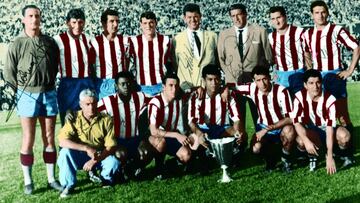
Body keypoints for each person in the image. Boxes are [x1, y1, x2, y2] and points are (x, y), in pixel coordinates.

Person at [3, 5, 62, 195]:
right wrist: (24, 89)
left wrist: (46, 83)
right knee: (28, 138)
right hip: (27, 95)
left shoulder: (50, 42)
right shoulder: (17, 43)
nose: (34, 19)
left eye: (37, 15)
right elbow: (9, 73)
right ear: (23, 19)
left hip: (49, 92)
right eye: (30, 16)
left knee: (49, 138)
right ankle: (29, 181)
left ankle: (52, 179)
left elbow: (54, 67)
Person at [302, 0, 359, 130]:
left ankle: (347, 147)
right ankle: (326, 143)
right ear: (312, 15)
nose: (320, 15)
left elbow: (356, 47)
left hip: (334, 76)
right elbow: (306, 51)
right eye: (317, 13)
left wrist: (350, 70)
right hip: (317, 79)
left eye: (323, 12)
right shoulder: (307, 34)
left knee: (342, 115)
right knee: (319, 113)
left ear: (327, 13)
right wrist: (310, 69)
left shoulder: (337, 30)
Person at [218, 3, 273, 129]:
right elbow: (221, 59)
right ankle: (239, 144)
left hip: (254, 83)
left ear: (245, 14)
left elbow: (268, 57)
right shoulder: (224, 34)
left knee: (255, 116)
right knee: (236, 116)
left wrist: (258, 76)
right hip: (233, 82)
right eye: (233, 16)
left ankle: (256, 144)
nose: (236, 19)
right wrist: (230, 75)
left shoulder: (260, 31)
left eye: (239, 15)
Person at [57, 89, 120, 198]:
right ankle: (68, 185)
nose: (91, 107)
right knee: (65, 153)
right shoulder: (74, 118)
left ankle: (105, 178)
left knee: (113, 162)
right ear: (81, 104)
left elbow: (111, 146)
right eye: (87, 104)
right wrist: (86, 148)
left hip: (99, 155)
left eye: (94, 103)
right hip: (79, 155)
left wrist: (94, 160)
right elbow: (62, 141)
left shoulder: (106, 119)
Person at [290, 69, 354, 175]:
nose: (315, 86)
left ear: (321, 83)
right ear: (305, 85)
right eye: (311, 83)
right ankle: (313, 156)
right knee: (301, 141)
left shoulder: (330, 99)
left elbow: (329, 128)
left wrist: (329, 156)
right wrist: (306, 141)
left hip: (326, 128)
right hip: (311, 130)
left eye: (318, 82)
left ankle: (337, 154)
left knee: (345, 136)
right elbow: (296, 123)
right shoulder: (299, 97)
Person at [233, 65, 296, 172]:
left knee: (289, 131)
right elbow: (233, 87)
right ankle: (270, 159)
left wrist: (267, 129)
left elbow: (290, 118)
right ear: (254, 81)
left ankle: (286, 159)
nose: (262, 83)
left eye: (264, 79)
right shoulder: (252, 88)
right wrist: (225, 89)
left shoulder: (281, 91)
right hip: (263, 126)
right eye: (258, 80)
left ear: (270, 77)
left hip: (280, 127)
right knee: (256, 148)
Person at [97, 71, 153, 179]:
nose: (126, 87)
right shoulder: (108, 101)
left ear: (132, 84)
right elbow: (90, 110)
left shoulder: (140, 97)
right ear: (116, 86)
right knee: (120, 154)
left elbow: (159, 98)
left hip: (135, 139)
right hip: (118, 141)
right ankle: (122, 169)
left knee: (146, 152)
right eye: (122, 84)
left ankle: (134, 168)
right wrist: (70, 112)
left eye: (128, 83)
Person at [188, 64, 247, 165]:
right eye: (210, 79)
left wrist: (238, 131)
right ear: (204, 80)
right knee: (194, 138)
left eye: (216, 79)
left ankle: (234, 155)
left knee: (242, 134)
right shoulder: (196, 96)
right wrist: (199, 134)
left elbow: (236, 119)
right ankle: (200, 158)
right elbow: (191, 122)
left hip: (221, 129)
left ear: (220, 80)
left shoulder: (227, 95)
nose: (214, 83)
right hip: (204, 129)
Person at [54, 8, 95, 126]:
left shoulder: (88, 40)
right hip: (68, 85)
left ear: (84, 23)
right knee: (68, 122)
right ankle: (66, 145)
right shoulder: (58, 40)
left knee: (88, 122)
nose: (77, 26)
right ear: (67, 23)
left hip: (86, 83)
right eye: (74, 22)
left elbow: (92, 64)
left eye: (80, 22)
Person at [148, 72, 192, 179]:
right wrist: (177, 135)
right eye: (170, 85)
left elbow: (193, 91)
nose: (174, 89)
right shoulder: (156, 102)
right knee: (160, 142)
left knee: (186, 156)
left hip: (170, 136)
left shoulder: (179, 100)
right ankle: (158, 169)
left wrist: (199, 89)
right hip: (152, 137)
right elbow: (153, 131)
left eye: (176, 86)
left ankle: (168, 166)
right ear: (163, 87)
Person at [173, 3, 218, 91]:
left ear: (200, 16)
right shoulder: (176, 39)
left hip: (208, 87)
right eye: (189, 17)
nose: (193, 20)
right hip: (187, 87)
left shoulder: (213, 36)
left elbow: (217, 61)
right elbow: (176, 64)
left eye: (195, 16)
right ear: (184, 18)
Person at [128, 11, 172, 96]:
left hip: (160, 85)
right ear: (141, 24)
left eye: (151, 22)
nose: (148, 26)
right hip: (140, 86)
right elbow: (130, 64)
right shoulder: (134, 41)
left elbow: (170, 64)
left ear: (156, 23)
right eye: (145, 23)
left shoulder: (165, 40)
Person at [91, 9, 129, 99]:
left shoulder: (125, 41)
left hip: (121, 83)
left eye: (117, 21)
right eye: (112, 21)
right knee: (105, 112)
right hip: (103, 84)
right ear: (104, 24)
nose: (115, 24)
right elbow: (90, 66)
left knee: (121, 111)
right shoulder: (94, 42)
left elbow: (128, 61)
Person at [268, 6, 306, 95]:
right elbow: (272, 57)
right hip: (280, 76)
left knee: (300, 103)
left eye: (279, 17)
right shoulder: (270, 36)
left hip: (298, 72)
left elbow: (308, 53)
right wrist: (274, 72)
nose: (276, 21)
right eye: (273, 19)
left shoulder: (299, 32)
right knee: (284, 105)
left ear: (285, 17)